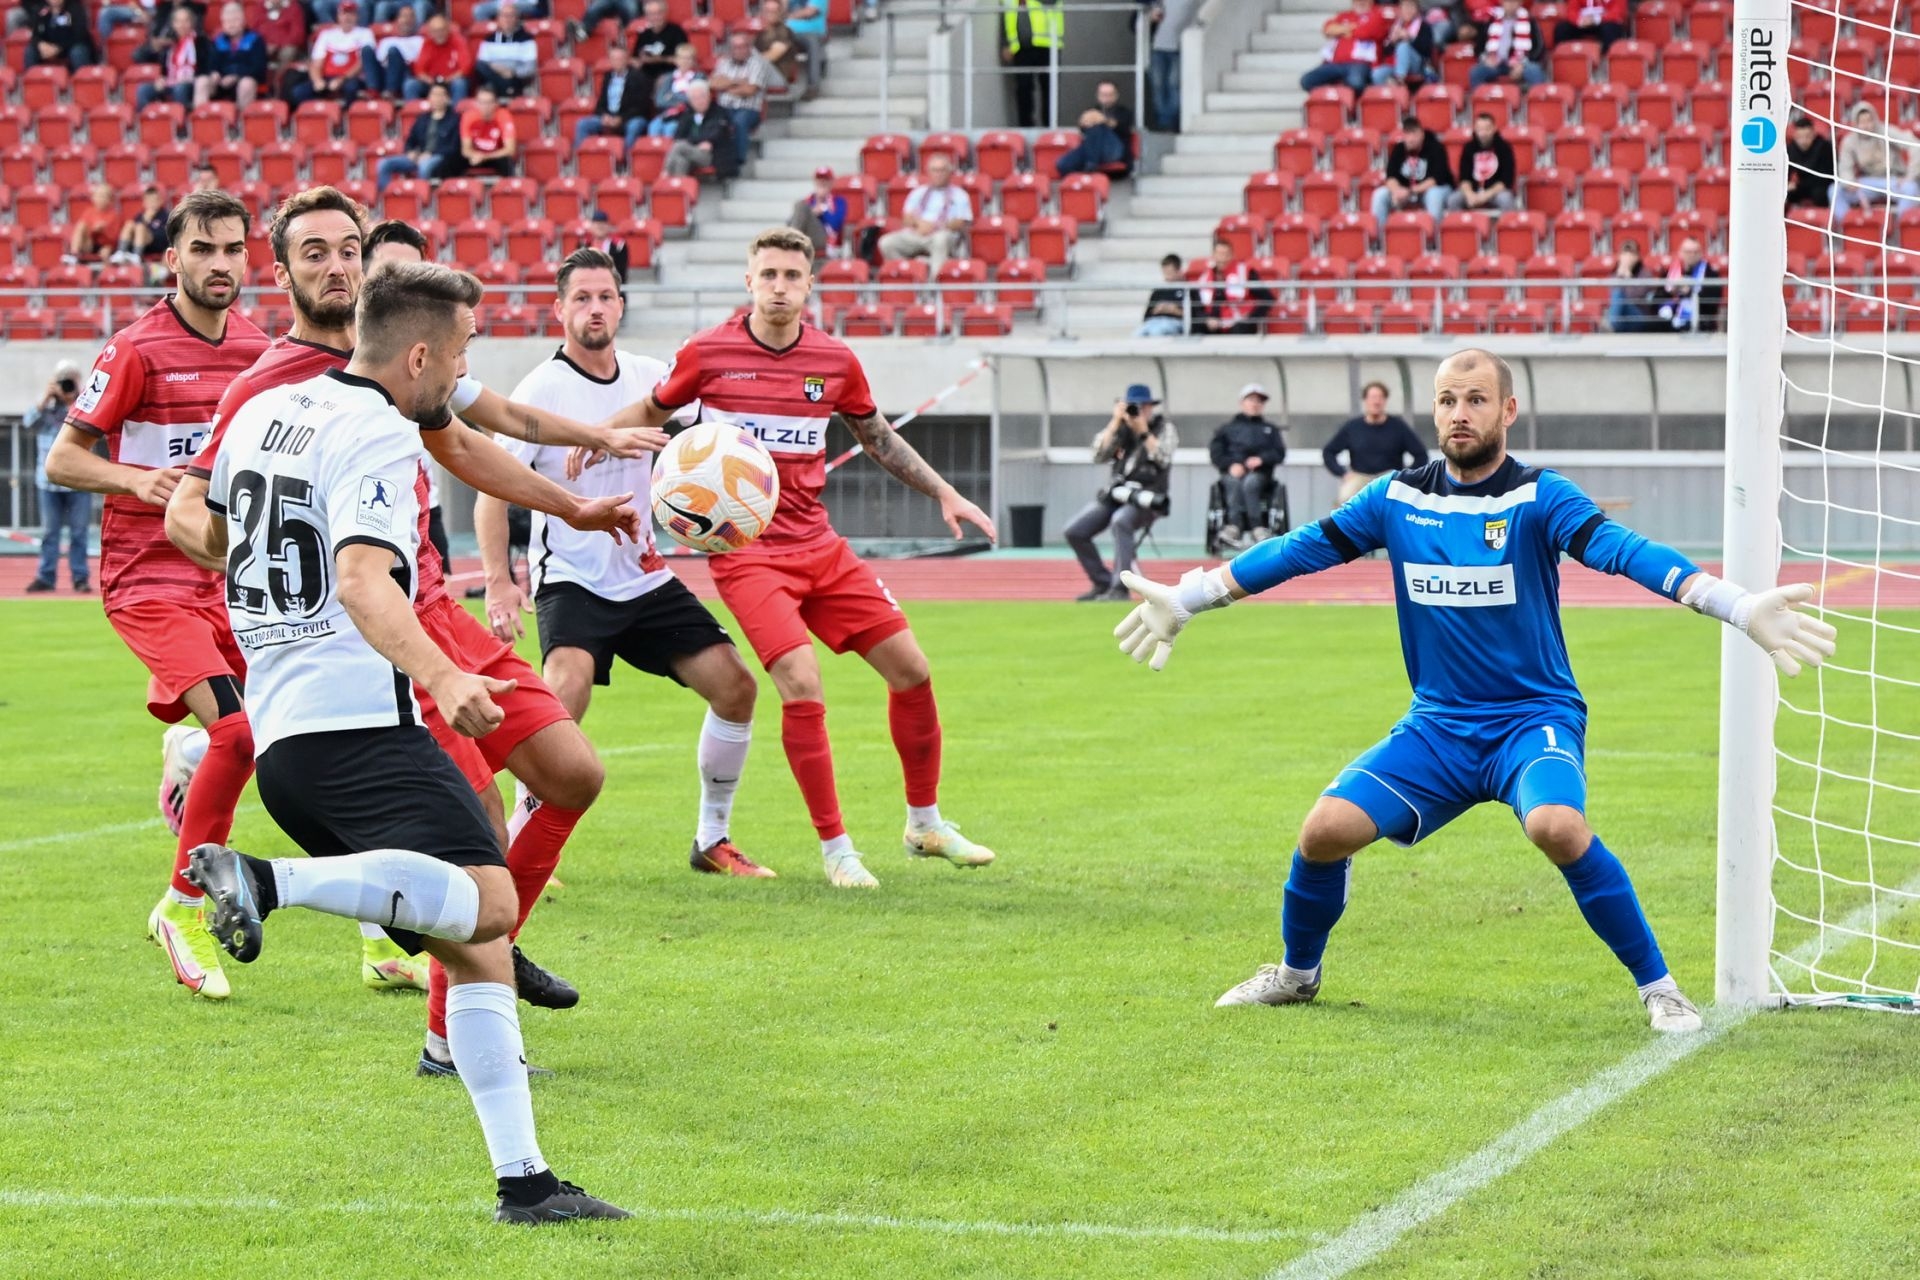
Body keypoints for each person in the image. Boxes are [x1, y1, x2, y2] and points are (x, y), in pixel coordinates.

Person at [1115, 347, 1837, 1031]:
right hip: (1437, 728)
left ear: (1508, 410)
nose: (1459, 413)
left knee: (1556, 827)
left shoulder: (1539, 496)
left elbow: (1625, 553)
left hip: (1531, 720)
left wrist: (1736, 606)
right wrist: (1190, 597)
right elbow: (1299, 549)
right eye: (1447, 400)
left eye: (1476, 399)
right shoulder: (1395, 497)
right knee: (1322, 834)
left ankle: (1661, 989)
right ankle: (1297, 975)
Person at [188, 261, 629, 1225]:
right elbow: (360, 579)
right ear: (420, 354)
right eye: (462, 352)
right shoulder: (381, 429)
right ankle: (264, 881)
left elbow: (212, 535)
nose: (464, 372)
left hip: (285, 732)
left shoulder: (267, 410)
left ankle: (526, 1184)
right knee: (493, 902)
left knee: (477, 949)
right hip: (357, 723)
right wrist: (444, 675)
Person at [165, 186, 657, 1018]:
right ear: (280, 272)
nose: (337, 266)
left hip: (435, 608)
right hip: (375, 632)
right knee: (480, 824)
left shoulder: (404, 357)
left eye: (348, 250)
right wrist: (265, 554)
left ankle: (492, 941)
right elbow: (191, 512)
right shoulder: (266, 387)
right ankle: (459, 1003)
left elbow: (467, 437)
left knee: (574, 774)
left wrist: (574, 502)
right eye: (314, 253)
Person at [591, 226, 1000, 888]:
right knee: (803, 685)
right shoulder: (709, 352)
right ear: (749, 282)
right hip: (747, 555)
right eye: (768, 275)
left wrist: (944, 492)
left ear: (810, 285)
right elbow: (651, 407)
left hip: (821, 546)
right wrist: (596, 437)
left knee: (912, 671)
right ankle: (838, 851)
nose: (779, 286)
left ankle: (924, 824)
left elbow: (878, 438)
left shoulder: (834, 361)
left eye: (791, 275)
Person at [476, 247, 770, 880]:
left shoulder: (649, 376)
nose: (595, 309)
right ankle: (522, 840)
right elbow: (490, 491)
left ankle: (712, 840)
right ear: (559, 310)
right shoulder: (541, 389)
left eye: (605, 296)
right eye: (581, 298)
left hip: (644, 575)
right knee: (560, 701)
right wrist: (499, 583)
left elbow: (711, 435)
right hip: (572, 577)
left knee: (736, 687)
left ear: (621, 305)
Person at [44, 190, 270, 1002]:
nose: (220, 264)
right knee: (239, 734)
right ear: (172, 259)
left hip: (229, 577)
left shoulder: (259, 349)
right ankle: (182, 907)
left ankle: (188, 754)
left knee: (286, 733)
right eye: (203, 249)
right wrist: (137, 479)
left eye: (233, 249)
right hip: (147, 580)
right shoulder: (136, 349)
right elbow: (63, 461)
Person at [1063, 383, 1176, 602]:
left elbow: (1163, 457)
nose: (1137, 412)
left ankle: (1120, 588)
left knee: (1121, 520)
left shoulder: (1164, 428)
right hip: (1117, 494)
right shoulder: (1120, 430)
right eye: (1133, 407)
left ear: (1150, 407)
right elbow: (1098, 455)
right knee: (1075, 530)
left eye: (1142, 407)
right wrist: (1115, 422)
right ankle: (1102, 582)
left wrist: (1143, 431)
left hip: (1148, 498)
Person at [25, 360, 90, 594]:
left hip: (78, 481)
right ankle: (46, 576)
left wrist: (75, 399)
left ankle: (80, 578)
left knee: (79, 533)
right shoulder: (47, 408)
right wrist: (46, 398)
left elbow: (92, 425)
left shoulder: (84, 405)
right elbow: (28, 423)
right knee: (49, 533)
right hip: (48, 483)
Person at [1322, 380, 1427, 503]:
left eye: (1380, 397)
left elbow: (1421, 455)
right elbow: (1328, 452)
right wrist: (1344, 474)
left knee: (1403, 502)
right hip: (1360, 477)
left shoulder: (1398, 427)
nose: (1376, 402)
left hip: (1389, 478)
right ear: (1365, 400)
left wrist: (1406, 477)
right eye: (1372, 397)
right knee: (1345, 499)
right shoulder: (1353, 427)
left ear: (1385, 401)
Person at [1208, 382, 1284, 551]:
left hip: (1260, 475)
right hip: (1232, 474)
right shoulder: (1226, 429)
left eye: (1259, 401)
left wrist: (1261, 460)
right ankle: (1233, 526)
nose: (1255, 404)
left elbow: (1279, 453)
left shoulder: (1270, 429)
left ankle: (1258, 528)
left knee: (1251, 482)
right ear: (1242, 402)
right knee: (1233, 482)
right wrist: (1231, 465)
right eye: (1251, 400)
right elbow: (1216, 453)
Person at [879, 155, 972, 269]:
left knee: (940, 240)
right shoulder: (918, 192)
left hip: (942, 232)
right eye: (934, 170)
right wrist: (919, 224)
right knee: (886, 242)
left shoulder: (960, 195)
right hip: (917, 231)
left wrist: (935, 226)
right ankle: (912, 271)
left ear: (949, 173)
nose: (938, 174)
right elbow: (906, 218)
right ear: (928, 172)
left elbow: (961, 222)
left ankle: (934, 279)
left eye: (942, 170)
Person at [1832, 102, 1919, 222]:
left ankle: (1899, 226)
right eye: (1862, 122)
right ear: (1855, 123)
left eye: (1869, 120)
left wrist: (1910, 176)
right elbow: (1845, 167)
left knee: (1911, 188)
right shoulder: (1849, 141)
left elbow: (1915, 146)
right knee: (1834, 190)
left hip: (1893, 180)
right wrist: (1849, 181)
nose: (1866, 125)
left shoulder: (1887, 131)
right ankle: (1848, 225)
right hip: (1867, 182)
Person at [711, 25, 782, 167]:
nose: (739, 50)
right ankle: (713, 160)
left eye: (742, 47)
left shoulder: (758, 64)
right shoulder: (724, 63)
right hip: (724, 108)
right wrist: (737, 82)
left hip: (749, 110)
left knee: (739, 121)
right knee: (711, 121)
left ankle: (738, 161)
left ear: (749, 48)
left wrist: (726, 87)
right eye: (735, 47)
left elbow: (750, 90)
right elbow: (713, 84)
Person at [1370, 114, 1455, 225]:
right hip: (1405, 191)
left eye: (1414, 134)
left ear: (1422, 134)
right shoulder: (1399, 149)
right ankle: (1380, 234)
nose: (1411, 139)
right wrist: (1397, 191)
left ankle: (1433, 233)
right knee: (1379, 195)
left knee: (1434, 195)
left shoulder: (1436, 148)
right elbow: (1391, 176)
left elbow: (1436, 179)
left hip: (1432, 189)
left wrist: (1410, 191)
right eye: (1407, 134)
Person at [376, 80, 461, 189]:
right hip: (420, 156)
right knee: (383, 164)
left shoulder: (455, 120)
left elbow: (454, 147)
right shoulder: (422, 119)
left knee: (424, 166)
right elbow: (411, 140)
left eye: (439, 95)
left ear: (447, 98)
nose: (436, 98)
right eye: (433, 94)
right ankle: (388, 194)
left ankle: (420, 194)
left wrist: (431, 154)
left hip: (441, 158)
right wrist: (411, 152)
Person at [574, 41, 651, 151]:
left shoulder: (639, 77)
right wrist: (604, 116)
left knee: (634, 126)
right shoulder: (608, 76)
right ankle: (582, 155)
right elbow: (601, 103)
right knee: (583, 124)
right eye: (614, 59)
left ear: (627, 59)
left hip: (629, 117)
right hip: (609, 116)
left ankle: (625, 157)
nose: (617, 62)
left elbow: (641, 107)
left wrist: (621, 118)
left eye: (620, 59)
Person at [292, 0, 372, 106]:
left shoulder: (365, 33)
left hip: (350, 78)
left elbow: (362, 63)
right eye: (344, 14)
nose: (347, 17)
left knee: (351, 88)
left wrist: (341, 79)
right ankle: (320, 111)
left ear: (357, 16)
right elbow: (316, 63)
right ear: (338, 16)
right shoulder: (327, 35)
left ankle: (345, 113)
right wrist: (317, 80)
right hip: (328, 77)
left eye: (351, 14)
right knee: (299, 92)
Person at [1000, 0, 1063, 128]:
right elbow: (1004, 15)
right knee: (1023, 87)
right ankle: (1026, 127)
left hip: (1047, 45)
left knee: (1049, 87)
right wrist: (1005, 43)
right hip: (1020, 48)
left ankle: (1049, 126)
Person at [1299, 5, 1388, 94]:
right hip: (1334, 64)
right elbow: (1328, 29)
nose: (1360, 2)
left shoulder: (1377, 14)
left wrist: (1341, 30)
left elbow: (1366, 32)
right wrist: (1352, 28)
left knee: (1356, 82)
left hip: (1360, 63)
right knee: (1307, 81)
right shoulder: (1344, 15)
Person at [1191, 237, 1270, 335]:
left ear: (1232, 256)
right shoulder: (1205, 277)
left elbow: (1267, 298)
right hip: (1213, 324)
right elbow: (1197, 306)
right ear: (1213, 255)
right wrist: (1207, 319)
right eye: (1219, 254)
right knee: (1196, 326)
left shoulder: (1245, 272)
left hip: (1238, 323)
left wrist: (1250, 318)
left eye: (1226, 255)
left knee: (1240, 329)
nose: (1222, 258)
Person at [661, 80, 739, 180]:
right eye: (695, 98)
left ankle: (665, 173)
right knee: (681, 160)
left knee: (680, 146)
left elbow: (714, 134)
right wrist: (696, 142)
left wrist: (694, 141)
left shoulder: (719, 112)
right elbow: (678, 136)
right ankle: (678, 186)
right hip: (691, 152)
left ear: (709, 97)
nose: (699, 101)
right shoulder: (688, 114)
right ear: (690, 101)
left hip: (713, 155)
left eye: (702, 97)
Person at [1053, 80, 1133, 176]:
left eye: (1110, 95)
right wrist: (1084, 122)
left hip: (1114, 150)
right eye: (1103, 95)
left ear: (1116, 96)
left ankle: (1091, 164)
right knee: (1063, 164)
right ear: (1098, 96)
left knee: (1097, 126)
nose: (1107, 98)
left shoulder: (1124, 112)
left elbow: (1123, 128)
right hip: (1091, 148)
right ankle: (1086, 176)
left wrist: (1103, 120)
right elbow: (1083, 130)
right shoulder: (1091, 111)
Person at [140, 4, 212, 107]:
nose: (182, 25)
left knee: (180, 88)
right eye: (178, 21)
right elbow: (164, 71)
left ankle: (181, 115)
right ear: (173, 25)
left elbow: (205, 68)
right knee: (144, 90)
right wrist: (162, 80)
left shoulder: (201, 42)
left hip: (190, 82)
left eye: (186, 21)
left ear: (192, 23)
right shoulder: (170, 45)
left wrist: (189, 78)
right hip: (172, 81)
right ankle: (148, 116)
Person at [1447, 111, 1517, 213]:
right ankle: (1461, 222)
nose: (1483, 133)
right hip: (1473, 191)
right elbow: (1464, 178)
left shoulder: (1504, 148)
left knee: (1506, 199)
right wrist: (1469, 195)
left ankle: (1507, 223)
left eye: (1487, 129)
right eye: (1479, 129)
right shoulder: (1469, 147)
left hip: (1494, 192)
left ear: (1494, 128)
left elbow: (1506, 180)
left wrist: (1486, 195)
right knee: (1453, 200)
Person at [1146, 0, 1199, 131]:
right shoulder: (1158, 2)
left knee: (1174, 84)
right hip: (1158, 47)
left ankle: (1170, 122)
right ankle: (1164, 121)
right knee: (1158, 85)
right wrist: (1150, 14)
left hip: (1180, 48)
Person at [1655, 237, 1722, 333]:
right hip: (1670, 320)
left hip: (1700, 321)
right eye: (1688, 252)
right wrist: (1672, 291)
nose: (1692, 255)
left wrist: (1690, 292)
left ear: (1701, 253)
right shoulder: (1669, 271)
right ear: (1680, 252)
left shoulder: (1710, 273)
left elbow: (1713, 301)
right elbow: (1657, 298)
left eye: (1695, 252)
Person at [1468, 3, 1542, 89]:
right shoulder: (1492, 20)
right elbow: (1479, 48)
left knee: (1534, 70)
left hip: (1520, 63)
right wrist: (1486, 59)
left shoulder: (1529, 21)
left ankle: (1536, 96)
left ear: (1520, 3)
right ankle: (1481, 96)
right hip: (1496, 64)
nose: (1510, 4)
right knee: (1476, 72)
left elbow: (1539, 48)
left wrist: (1523, 64)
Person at [473, 0, 536, 99]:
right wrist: (498, 70)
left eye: (510, 16)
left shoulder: (527, 39)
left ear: (517, 18)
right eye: (504, 16)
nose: (507, 19)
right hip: (493, 78)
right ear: (498, 18)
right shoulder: (489, 39)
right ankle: (506, 90)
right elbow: (482, 65)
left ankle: (505, 90)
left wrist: (512, 72)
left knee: (508, 81)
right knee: (480, 67)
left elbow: (529, 68)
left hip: (515, 78)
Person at [208, 2, 266, 106]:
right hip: (222, 82)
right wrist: (215, 73)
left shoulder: (255, 40)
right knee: (204, 81)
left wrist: (236, 76)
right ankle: (203, 114)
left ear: (243, 21)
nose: (231, 25)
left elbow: (258, 68)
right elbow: (212, 64)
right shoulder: (217, 41)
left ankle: (243, 116)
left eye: (235, 20)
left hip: (246, 80)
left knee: (246, 83)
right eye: (228, 21)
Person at [110, 185, 172, 281]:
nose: (152, 204)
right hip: (141, 244)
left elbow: (164, 235)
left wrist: (146, 222)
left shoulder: (165, 215)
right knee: (129, 224)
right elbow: (133, 230)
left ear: (160, 201)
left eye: (155, 200)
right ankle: (121, 252)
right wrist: (145, 219)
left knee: (140, 227)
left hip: (157, 244)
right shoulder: (141, 215)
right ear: (144, 203)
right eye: (149, 201)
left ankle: (136, 256)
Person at [629, 0, 689, 100]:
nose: (655, 17)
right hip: (646, 75)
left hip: (669, 73)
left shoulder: (676, 32)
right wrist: (636, 62)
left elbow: (684, 58)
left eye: (659, 13)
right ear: (647, 16)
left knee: (662, 80)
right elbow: (635, 58)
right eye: (651, 14)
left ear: (665, 13)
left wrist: (657, 59)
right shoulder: (644, 35)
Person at [407, 12, 470, 101]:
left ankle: (456, 110)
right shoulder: (427, 43)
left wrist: (447, 80)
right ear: (430, 32)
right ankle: (415, 109)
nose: (439, 34)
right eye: (435, 31)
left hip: (451, 81)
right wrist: (430, 81)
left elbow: (465, 67)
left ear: (447, 29)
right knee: (410, 84)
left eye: (441, 30)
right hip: (431, 82)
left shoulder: (458, 41)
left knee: (460, 83)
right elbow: (419, 69)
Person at [788, 165, 847, 258]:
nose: (822, 182)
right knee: (800, 205)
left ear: (831, 182)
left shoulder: (838, 201)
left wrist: (823, 212)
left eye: (825, 179)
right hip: (807, 238)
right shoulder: (808, 201)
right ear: (815, 182)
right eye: (819, 179)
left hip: (827, 240)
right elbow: (791, 222)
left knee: (802, 207)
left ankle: (790, 243)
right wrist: (813, 212)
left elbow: (836, 225)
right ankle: (791, 242)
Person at [460, 85, 517, 179]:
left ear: (496, 103)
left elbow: (510, 149)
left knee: (506, 161)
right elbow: (465, 149)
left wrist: (485, 157)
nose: (485, 106)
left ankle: (507, 186)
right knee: (454, 159)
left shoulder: (504, 116)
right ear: (476, 103)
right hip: (476, 155)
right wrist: (475, 155)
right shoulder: (468, 116)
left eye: (489, 102)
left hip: (496, 155)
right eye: (482, 102)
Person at [645, 42, 701, 137]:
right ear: (676, 60)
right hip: (667, 114)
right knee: (653, 126)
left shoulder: (698, 77)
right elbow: (659, 101)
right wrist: (680, 99)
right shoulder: (668, 77)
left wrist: (672, 95)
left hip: (686, 115)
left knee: (671, 128)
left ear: (693, 61)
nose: (685, 61)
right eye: (682, 58)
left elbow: (693, 100)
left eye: (688, 58)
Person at [1374, 0, 1436, 85]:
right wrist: (1393, 42)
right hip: (1397, 64)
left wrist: (1409, 37)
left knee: (1403, 46)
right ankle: (1393, 90)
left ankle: (1400, 79)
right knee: (1377, 74)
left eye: (1411, 7)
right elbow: (1386, 52)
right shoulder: (1397, 25)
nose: (1408, 10)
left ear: (1417, 10)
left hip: (1417, 65)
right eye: (1405, 7)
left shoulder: (1424, 26)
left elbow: (1426, 50)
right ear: (1400, 9)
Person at [366, 2, 420, 98]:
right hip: (384, 73)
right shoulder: (387, 40)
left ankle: (391, 91)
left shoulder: (420, 40)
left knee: (393, 51)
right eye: (404, 16)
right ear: (397, 20)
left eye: (410, 16)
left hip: (405, 73)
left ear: (415, 20)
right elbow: (380, 61)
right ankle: (373, 90)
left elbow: (417, 63)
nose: (407, 20)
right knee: (367, 49)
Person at [1605, 238, 1657, 334]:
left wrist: (1627, 277)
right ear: (1619, 257)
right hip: (1621, 317)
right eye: (1625, 254)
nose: (1627, 258)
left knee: (1619, 295)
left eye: (1631, 254)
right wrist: (1620, 277)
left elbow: (1635, 297)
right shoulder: (1614, 275)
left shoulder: (1645, 274)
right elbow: (1612, 297)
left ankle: (1612, 326)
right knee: (1617, 294)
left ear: (1637, 257)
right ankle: (1614, 325)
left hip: (1640, 315)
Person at [1785, 115, 1835, 211]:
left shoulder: (1824, 147)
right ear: (1795, 136)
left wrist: (1798, 185)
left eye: (1807, 136)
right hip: (1800, 187)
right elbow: (1787, 171)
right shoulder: (1790, 149)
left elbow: (1827, 176)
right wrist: (1787, 184)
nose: (1803, 141)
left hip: (1820, 185)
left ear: (1813, 134)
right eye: (1800, 137)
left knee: (1820, 193)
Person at [27, 0, 95, 68]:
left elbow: (79, 34)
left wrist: (58, 48)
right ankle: (32, 74)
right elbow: (35, 35)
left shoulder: (75, 9)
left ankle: (82, 74)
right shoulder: (40, 10)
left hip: (69, 46)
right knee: (31, 51)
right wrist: (40, 44)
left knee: (78, 52)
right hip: (48, 46)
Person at [65, 182, 121, 264]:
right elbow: (85, 231)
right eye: (98, 196)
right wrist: (94, 230)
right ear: (93, 198)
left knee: (105, 252)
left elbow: (114, 239)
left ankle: (107, 271)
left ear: (110, 200)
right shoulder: (88, 212)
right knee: (81, 226)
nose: (100, 199)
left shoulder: (115, 215)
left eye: (103, 196)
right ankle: (73, 254)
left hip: (106, 244)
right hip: (91, 243)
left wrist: (104, 231)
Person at [1135, 252, 1188, 336]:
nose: (1167, 277)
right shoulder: (1158, 290)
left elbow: (1195, 316)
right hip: (1154, 322)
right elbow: (1146, 316)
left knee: (1157, 332)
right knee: (1137, 334)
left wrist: (1175, 310)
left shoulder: (1187, 289)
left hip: (1174, 322)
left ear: (1178, 271)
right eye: (1165, 273)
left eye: (1169, 273)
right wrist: (1157, 310)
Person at [783, 0, 826, 96]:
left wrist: (789, 16)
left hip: (810, 32)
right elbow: (780, 10)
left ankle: (813, 86)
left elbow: (810, 11)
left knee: (812, 43)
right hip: (787, 31)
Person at [251, 0, 306, 72]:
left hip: (285, 46)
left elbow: (298, 34)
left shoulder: (293, 7)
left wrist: (277, 44)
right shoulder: (260, 7)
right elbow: (254, 30)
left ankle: (279, 77)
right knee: (254, 50)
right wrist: (263, 45)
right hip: (265, 44)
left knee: (288, 52)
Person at [1552, 0, 1626, 53]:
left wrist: (1597, 19)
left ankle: (1607, 58)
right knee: (1562, 29)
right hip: (1583, 22)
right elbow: (1571, 11)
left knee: (1610, 29)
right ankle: (1566, 56)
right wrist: (1579, 21)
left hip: (1604, 21)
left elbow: (1617, 12)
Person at [754, 0, 798, 84]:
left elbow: (771, 56)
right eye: (767, 11)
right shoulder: (758, 31)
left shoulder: (785, 32)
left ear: (780, 13)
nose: (769, 14)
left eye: (773, 12)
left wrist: (748, 64)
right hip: (759, 73)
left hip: (778, 75)